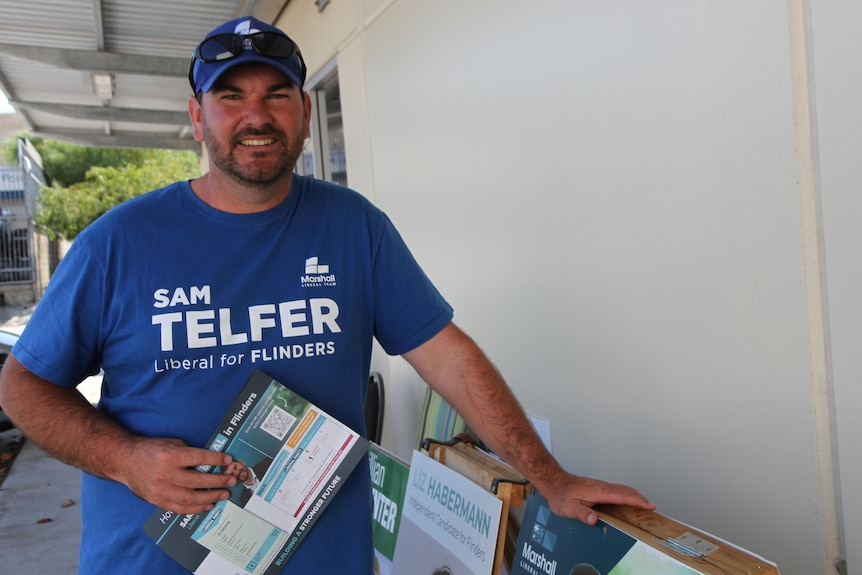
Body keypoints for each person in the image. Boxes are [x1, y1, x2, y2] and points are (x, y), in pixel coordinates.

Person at [0, 16, 654, 575]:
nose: (256, 116)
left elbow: (447, 357)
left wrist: (549, 475)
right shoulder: (118, 245)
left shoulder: (353, 226)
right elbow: (23, 386)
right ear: (196, 117)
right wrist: (126, 460)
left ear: (306, 112)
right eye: (230, 96)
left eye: (277, 94)